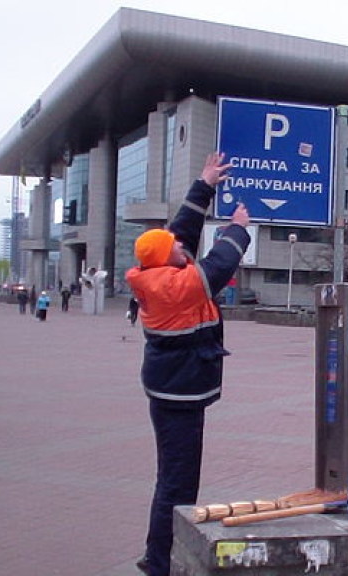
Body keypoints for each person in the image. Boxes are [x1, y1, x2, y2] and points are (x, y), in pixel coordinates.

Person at [125, 152, 251, 576]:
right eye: (175, 248)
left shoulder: (158, 271)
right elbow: (218, 265)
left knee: (174, 478)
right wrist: (236, 227)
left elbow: (180, 233)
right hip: (178, 394)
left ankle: (161, 555)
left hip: (172, 389)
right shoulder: (178, 288)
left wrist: (205, 183)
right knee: (177, 483)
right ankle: (159, 561)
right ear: (167, 261)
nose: (181, 245)